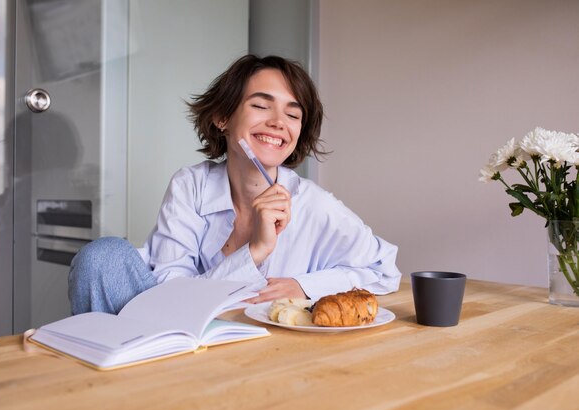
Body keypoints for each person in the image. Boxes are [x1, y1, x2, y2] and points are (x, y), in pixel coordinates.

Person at [68, 55, 401, 315]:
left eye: (293, 114)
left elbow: (384, 271)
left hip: (262, 353)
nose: (278, 122)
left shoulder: (314, 205)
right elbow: (170, 298)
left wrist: (303, 286)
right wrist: (255, 251)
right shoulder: (190, 186)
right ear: (222, 118)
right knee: (102, 257)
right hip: (177, 334)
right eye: (260, 105)